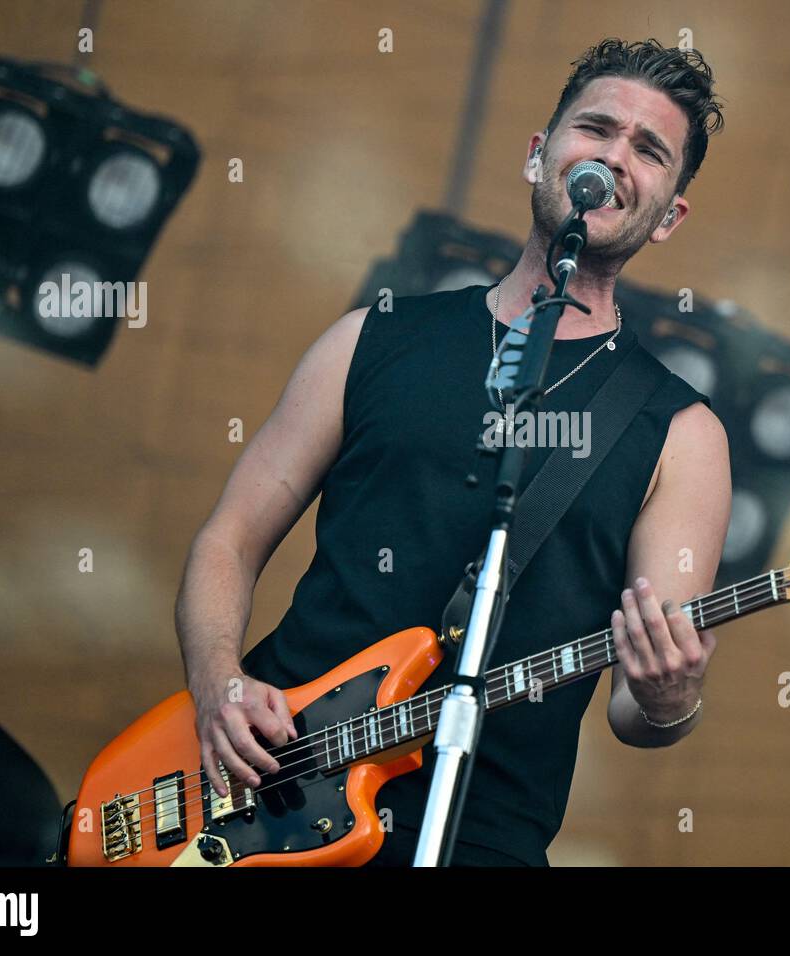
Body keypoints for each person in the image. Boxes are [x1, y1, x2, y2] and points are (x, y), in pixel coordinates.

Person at [174, 37, 731, 866]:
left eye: (649, 151)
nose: (615, 156)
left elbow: (636, 710)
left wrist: (669, 697)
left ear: (669, 216)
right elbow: (229, 540)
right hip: (261, 798)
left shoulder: (681, 435)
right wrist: (220, 682)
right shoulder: (372, 339)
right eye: (596, 128)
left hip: (480, 838)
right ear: (540, 155)